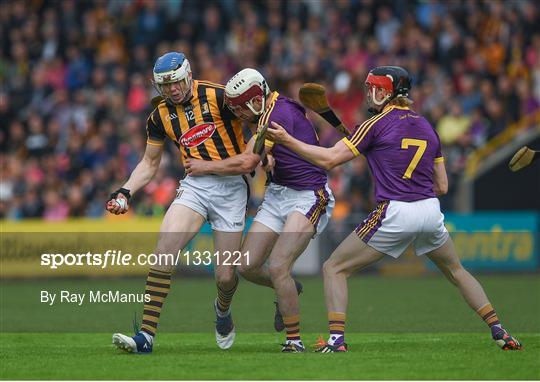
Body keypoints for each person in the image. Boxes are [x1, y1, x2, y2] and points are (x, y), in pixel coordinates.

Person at [267, 66, 522, 352]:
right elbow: (442, 186)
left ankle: (336, 341)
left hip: (396, 211)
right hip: (430, 210)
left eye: (370, 88)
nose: (367, 93)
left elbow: (327, 160)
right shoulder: (427, 126)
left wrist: (287, 140)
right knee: (456, 271)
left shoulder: (374, 124)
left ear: (383, 91)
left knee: (333, 267)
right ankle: (499, 330)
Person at [185, 68, 335, 352]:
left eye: (239, 107)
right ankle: (288, 288)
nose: (237, 114)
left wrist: (204, 166)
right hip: (278, 194)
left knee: (279, 265)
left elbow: (245, 163)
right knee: (247, 266)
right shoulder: (271, 108)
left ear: (255, 100)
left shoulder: (274, 114)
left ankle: (294, 341)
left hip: (308, 195)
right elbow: (265, 154)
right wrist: (269, 157)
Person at [107, 52, 248, 353]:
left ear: (188, 75)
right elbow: (148, 163)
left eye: (175, 82)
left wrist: (261, 155)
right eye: (164, 85)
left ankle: (222, 310)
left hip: (232, 187)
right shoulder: (159, 117)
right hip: (196, 186)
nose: (171, 90)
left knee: (225, 276)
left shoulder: (221, 96)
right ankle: (146, 337)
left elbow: (257, 123)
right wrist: (125, 191)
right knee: (164, 249)